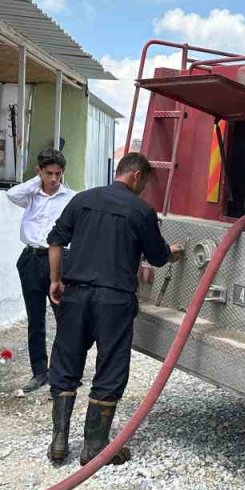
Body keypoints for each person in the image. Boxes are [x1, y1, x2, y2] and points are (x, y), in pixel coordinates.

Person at [45, 152, 183, 465]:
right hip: (114, 301)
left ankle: (59, 441)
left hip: (75, 294)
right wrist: (173, 253)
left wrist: (56, 281)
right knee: (110, 366)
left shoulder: (83, 199)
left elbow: (55, 240)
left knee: (66, 361)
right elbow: (158, 257)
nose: (144, 188)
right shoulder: (141, 210)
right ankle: (94, 446)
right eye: (145, 182)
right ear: (137, 176)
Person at [6, 149, 74, 395]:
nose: (54, 179)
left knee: (64, 318)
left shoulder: (70, 198)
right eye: (48, 173)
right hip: (32, 258)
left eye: (58, 173)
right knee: (35, 319)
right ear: (40, 172)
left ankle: (63, 372)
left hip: (60, 260)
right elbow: (11, 194)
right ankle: (39, 372)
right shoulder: (31, 195)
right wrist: (37, 182)